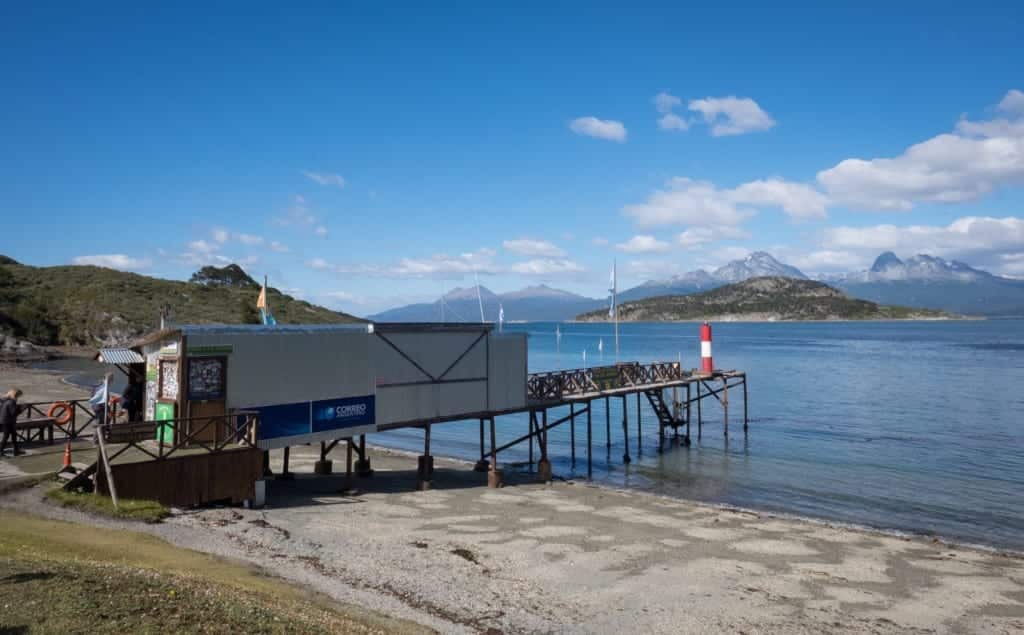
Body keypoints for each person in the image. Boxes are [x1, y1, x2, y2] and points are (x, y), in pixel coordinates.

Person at [0, 388, 27, 457]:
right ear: (16, 395)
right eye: (18, 396)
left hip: (5, 420)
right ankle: (1, 451)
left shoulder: (5, 400)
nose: (18, 397)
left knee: (13, 435)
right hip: (8, 421)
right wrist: (22, 408)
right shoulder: (11, 402)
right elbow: (14, 413)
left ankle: (16, 450)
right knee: (6, 436)